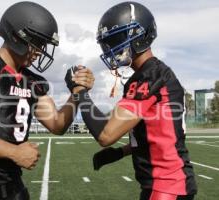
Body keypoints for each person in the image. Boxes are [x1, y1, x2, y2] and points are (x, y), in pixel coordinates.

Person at [0, 2, 94, 200]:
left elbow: (57, 124)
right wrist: (14, 152)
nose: (40, 51)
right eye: (38, 43)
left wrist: (76, 93)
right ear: (17, 36)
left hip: (13, 182)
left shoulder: (33, 81)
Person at [65, 2, 197, 200]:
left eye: (116, 39)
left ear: (138, 36)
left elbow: (106, 135)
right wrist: (120, 153)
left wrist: (80, 92)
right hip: (170, 185)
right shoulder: (154, 74)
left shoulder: (149, 76)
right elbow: (155, 135)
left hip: (166, 187)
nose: (111, 48)